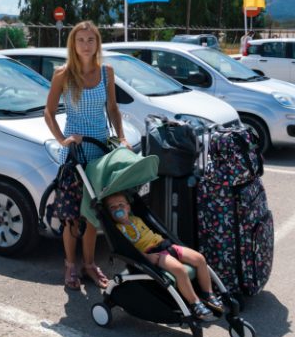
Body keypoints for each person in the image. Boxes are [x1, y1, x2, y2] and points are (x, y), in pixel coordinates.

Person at [45, 21, 129, 291]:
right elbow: (48, 112)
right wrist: (62, 139)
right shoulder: (63, 73)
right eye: (80, 40)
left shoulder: (107, 72)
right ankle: (70, 265)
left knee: (93, 215)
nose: (85, 45)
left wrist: (122, 137)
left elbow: (114, 108)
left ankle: (89, 264)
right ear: (73, 43)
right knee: (71, 215)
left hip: (100, 152)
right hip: (74, 154)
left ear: (97, 44)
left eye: (90, 40)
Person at [103, 192, 219, 321]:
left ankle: (208, 294)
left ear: (128, 207)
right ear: (109, 213)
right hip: (156, 253)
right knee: (179, 270)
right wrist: (147, 257)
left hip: (166, 244)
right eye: (112, 207)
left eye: (121, 205)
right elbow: (130, 249)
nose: (118, 209)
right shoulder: (119, 229)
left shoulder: (137, 219)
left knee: (199, 258)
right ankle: (195, 303)